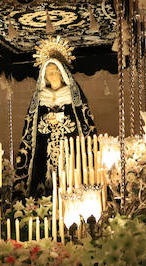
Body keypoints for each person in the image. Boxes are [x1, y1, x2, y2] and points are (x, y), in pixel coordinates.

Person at [14, 36, 95, 196]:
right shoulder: (40, 98)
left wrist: (63, 120)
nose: (51, 75)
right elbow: (31, 128)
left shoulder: (72, 96)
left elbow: (83, 124)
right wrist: (45, 121)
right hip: (45, 149)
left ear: (60, 72)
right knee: (45, 178)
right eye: (47, 73)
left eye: (53, 71)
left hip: (69, 149)